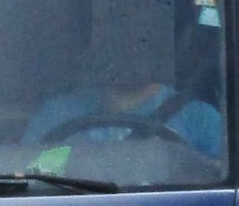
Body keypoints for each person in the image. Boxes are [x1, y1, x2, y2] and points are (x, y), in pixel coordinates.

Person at [23, 11, 223, 161]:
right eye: (119, 36)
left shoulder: (202, 120)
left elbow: (218, 190)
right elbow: (32, 182)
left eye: (143, 39)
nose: (132, 47)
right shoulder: (56, 115)